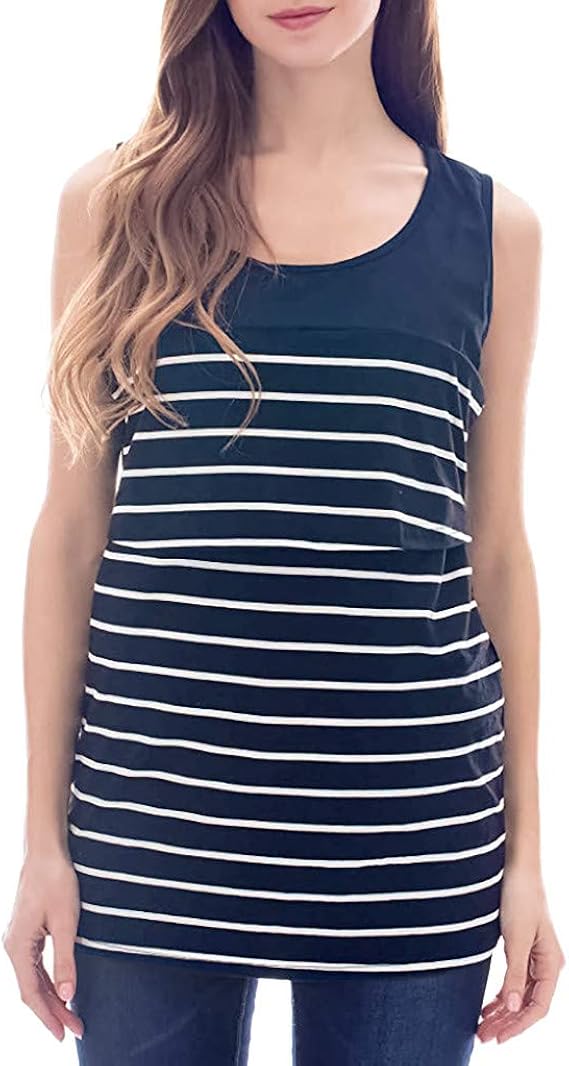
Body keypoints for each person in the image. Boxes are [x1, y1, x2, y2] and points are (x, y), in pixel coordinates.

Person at [3, 1, 565, 1063]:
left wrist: (528, 856)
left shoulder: (493, 231)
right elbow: (70, 537)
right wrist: (40, 839)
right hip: (152, 841)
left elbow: (495, 552)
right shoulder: (114, 206)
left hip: (406, 845)